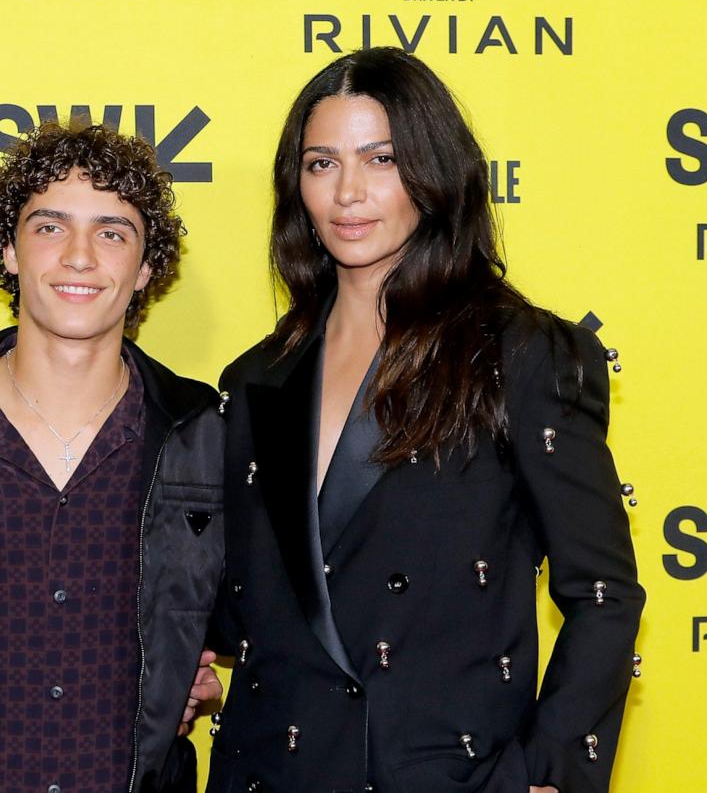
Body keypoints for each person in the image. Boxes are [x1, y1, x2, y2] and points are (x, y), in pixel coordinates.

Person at [206, 47, 644, 793]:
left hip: (448, 773)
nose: (348, 192)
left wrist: (545, 773)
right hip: (268, 768)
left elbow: (603, 594)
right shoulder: (256, 379)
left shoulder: (521, 355)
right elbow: (254, 600)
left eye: (381, 159)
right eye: (321, 164)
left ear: (434, 172)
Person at [0, 121, 225, 793]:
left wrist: (185, 669)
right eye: (49, 226)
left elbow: (251, 614)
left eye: (112, 232)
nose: (79, 256)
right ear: (9, 251)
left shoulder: (204, 433)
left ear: (147, 265)